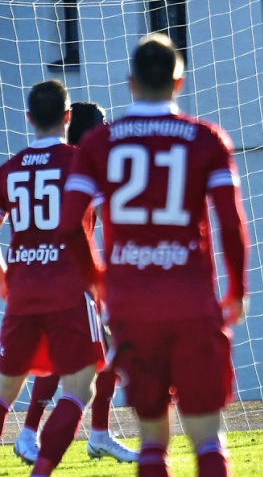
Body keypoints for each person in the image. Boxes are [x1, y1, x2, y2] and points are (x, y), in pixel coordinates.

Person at [61, 33, 249, 477]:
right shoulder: (206, 139)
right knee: (207, 439)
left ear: (131, 83)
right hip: (191, 301)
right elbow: (230, 222)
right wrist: (237, 288)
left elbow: (69, 224)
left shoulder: (99, 144)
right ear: (178, 82)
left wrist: (97, 278)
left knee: (151, 442)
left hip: (131, 305)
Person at [13, 102, 138, 465]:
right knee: (66, 357)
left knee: (110, 349)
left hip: (68, 277)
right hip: (64, 280)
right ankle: (28, 433)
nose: (108, 127)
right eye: (102, 123)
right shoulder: (73, 166)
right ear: (83, 129)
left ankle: (98, 434)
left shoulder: (78, 165)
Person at [0, 81, 104, 476]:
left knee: (4, 393)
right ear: (68, 117)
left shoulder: (9, 170)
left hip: (22, 292)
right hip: (69, 291)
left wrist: (5, 281)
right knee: (80, 388)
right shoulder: (82, 163)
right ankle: (41, 471)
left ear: (28, 118)